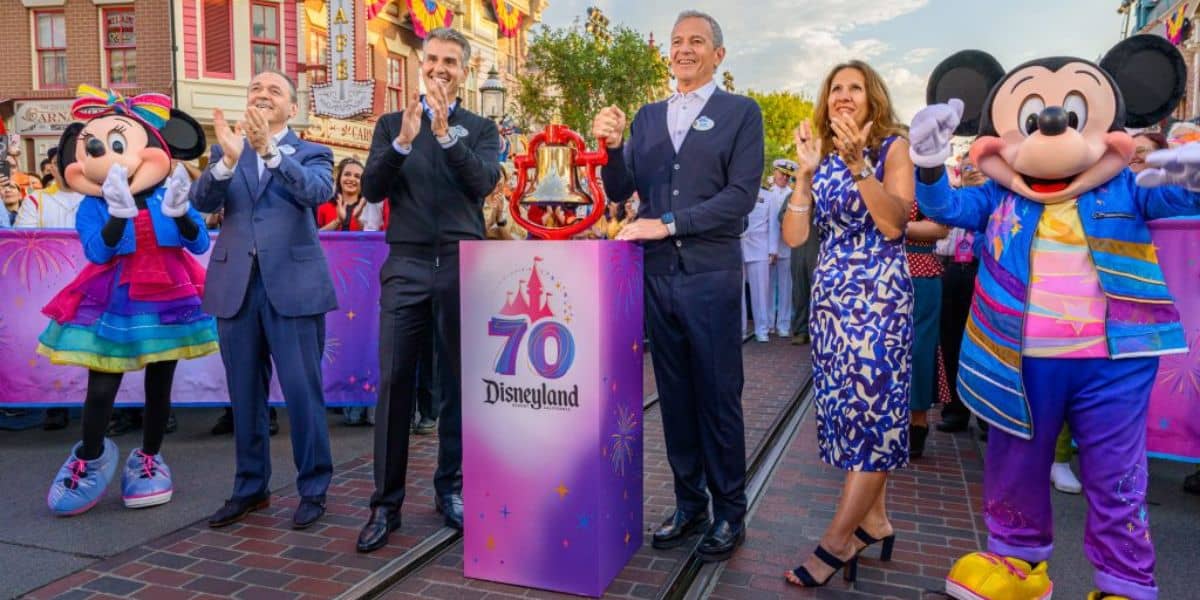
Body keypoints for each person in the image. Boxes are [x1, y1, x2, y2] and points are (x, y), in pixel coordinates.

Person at [911, 36, 1198, 600]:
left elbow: (1176, 200)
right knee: (1016, 464)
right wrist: (926, 164)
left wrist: (1191, 177)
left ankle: (1125, 582)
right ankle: (1019, 565)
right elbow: (945, 208)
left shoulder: (1128, 185)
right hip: (1019, 359)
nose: (1050, 126)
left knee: (1116, 477)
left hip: (1115, 359)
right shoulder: (998, 196)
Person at [593, 10, 763, 562]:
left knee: (718, 399)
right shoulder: (647, 117)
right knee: (675, 398)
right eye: (676, 42)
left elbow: (738, 198)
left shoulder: (741, 113)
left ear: (718, 54)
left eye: (697, 42)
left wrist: (668, 224)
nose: (684, 50)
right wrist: (613, 147)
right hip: (659, 278)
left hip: (711, 277)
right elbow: (622, 190)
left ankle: (729, 513)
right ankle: (690, 506)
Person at [38, 87, 216, 515]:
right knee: (101, 389)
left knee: (159, 386)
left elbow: (199, 242)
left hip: (167, 298)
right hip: (112, 299)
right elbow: (98, 252)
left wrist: (181, 215)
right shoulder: (91, 206)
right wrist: (117, 217)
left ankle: (150, 457)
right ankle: (91, 455)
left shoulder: (167, 195)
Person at [357, 27, 500, 553]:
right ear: (422, 63)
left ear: (464, 69)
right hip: (408, 262)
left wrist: (444, 134)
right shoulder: (392, 123)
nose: (441, 69)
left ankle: (452, 488)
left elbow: (482, 184)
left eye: (450, 62)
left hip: (465, 263)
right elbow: (372, 188)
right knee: (395, 381)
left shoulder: (482, 127)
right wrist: (402, 142)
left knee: (459, 384)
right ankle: (385, 504)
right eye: (433, 60)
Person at [780, 60, 914, 587]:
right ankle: (875, 521)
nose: (843, 95)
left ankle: (836, 541)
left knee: (874, 415)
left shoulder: (890, 148)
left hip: (879, 300)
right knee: (848, 413)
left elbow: (894, 222)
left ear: (872, 97)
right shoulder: (823, 156)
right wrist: (806, 174)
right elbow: (794, 238)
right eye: (835, 88)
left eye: (854, 87)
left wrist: (862, 167)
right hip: (833, 302)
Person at [190, 70, 337, 531]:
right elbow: (200, 201)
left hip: (293, 288)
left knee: (302, 393)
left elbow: (318, 192)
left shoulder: (313, 152)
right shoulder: (224, 150)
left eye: (275, 90)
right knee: (245, 397)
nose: (262, 94)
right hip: (236, 288)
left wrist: (270, 152)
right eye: (255, 89)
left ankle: (313, 488)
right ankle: (250, 487)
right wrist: (228, 163)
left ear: (292, 108)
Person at [905, 198, 948, 459]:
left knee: (921, 348)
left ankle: (917, 423)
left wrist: (889, 223)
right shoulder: (877, 176)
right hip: (882, 273)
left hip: (921, 274)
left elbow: (940, 228)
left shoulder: (928, 181)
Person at [765, 159, 796, 338]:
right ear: (774, 172)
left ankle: (783, 324)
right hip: (769, 248)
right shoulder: (767, 195)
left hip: (787, 246)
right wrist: (771, 249)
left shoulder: (793, 194)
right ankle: (769, 323)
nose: (783, 177)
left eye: (786, 175)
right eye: (780, 173)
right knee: (768, 287)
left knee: (786, 288)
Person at [741, 180, 775, 343]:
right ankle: (739, 329)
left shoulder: (767, 196)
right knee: (736, 292)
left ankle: (762, 329)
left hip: (760, 246)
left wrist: (772, 249)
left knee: (761, 291)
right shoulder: (734, 192)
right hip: (737, 246)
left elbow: (773, 224)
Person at [317, 157, 387, 231]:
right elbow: (314, 236)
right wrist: (338, 221)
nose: (351, 179)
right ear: (339, 178)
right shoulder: (324, 205)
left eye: (357, 176)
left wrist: (357, 218)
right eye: (347, 174)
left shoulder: (369, 207)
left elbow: (372, 236)